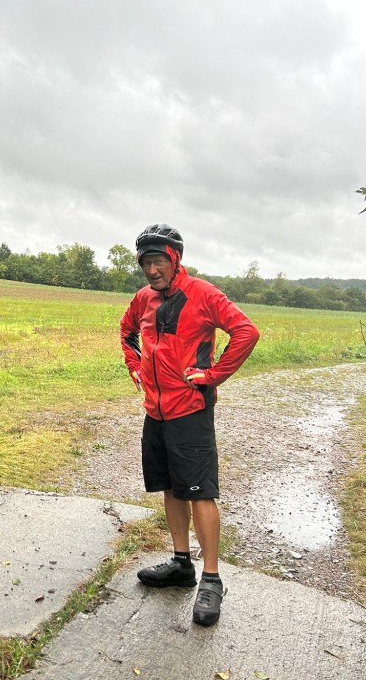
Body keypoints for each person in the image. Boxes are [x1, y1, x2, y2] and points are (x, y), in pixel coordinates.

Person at [120, 222, 259, 627]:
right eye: (145, 262)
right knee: (171, 487)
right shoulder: (143, 298)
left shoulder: (202, 293)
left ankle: (212, 579)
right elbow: (127, 332)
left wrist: (213, 375)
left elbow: (246, 332)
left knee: (200, 493)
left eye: (158, 261)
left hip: (191, 411)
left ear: (175, 258)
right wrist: (134, 366)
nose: (152, 270)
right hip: (156, 412)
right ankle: (182, 564)